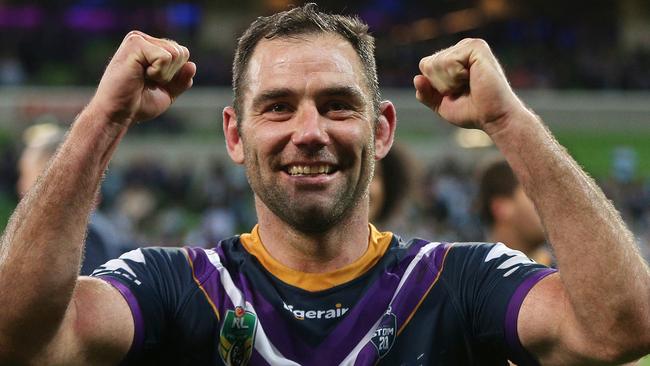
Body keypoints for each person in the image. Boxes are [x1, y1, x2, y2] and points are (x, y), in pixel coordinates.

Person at [0, 4, 648, 365]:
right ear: (234, 135)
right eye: (278, 106)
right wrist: (104, 119)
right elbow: (18, 336)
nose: (309, 132)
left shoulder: (456, 283)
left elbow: (620, 326)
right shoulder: (176, 287)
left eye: (338, 104)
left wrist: (508, 120)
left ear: (383, 129)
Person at [16, 123, 129, 274]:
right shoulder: (90, 229)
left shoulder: (77, 237)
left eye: (27, 175)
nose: (21, 186)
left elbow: (83, 293)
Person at [476, 159, 554, 266]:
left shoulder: (568, 273)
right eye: (534, 195)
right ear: (501, 208)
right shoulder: (466, 277)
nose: (549, 205)